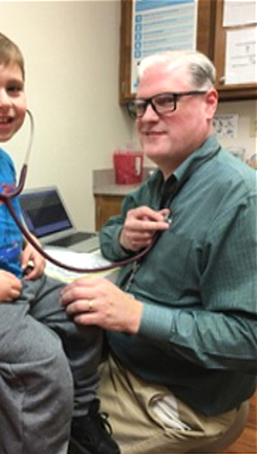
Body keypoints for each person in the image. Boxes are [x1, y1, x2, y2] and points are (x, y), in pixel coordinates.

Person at [0, 26, 120, 454]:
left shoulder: (2, 157)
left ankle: (79, 418)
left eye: (14, 87)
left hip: (13, 284)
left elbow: (10, 215)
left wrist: (30, 243)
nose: (4, 100)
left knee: (84, 315)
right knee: (43, 357)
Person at [61, 50, 257, 454]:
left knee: (42, 433)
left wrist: (135, 314)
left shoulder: (242, 199)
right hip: (126, 363)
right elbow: (112, 231)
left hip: (178, 396)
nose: (148, 117)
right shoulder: (159, 182)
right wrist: (124, 238)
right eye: (141, 105)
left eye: (166, 101)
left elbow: (248, 337)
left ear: (209, 103)